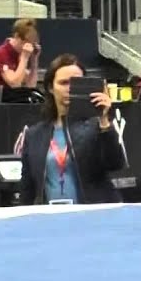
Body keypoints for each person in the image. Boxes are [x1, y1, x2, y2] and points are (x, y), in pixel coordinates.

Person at [19, 53, 127, 205]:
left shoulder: (97, 127)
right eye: (63, 83)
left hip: (94, 217)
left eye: (76, 82)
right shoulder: (34, 135)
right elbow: (27, 188)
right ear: (51, 87)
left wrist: (104, 120)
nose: (69, 89)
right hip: (50, 219)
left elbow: (115, 164)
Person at [0, 18, 42, 101]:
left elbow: (31, 85)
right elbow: (14, 84)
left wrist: (34, 60)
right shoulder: (1, 53)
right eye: (25, 41)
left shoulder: (21, 53)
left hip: (16, 98)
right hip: (1, 99)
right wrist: (24, 58)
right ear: (17, 36)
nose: (27, 46)